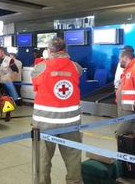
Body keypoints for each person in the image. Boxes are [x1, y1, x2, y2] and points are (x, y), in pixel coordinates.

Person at [31, 38, 83, 184]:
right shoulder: (76, 67)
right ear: (65, 49)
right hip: (71, 123)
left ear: (49, 50)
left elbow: (35, 85)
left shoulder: (40, 67)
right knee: (73, 159)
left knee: (43, 160)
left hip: (44, 124)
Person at [0, 47, 20, 121]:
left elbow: (16, 70)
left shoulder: (10, 60)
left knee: (6, 99)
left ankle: (7, 114)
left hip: (6, 81)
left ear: (3, 52)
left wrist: (11, 78)